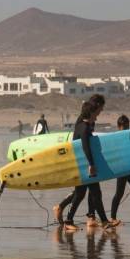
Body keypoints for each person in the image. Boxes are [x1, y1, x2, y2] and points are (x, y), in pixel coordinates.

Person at [54, 94, 106, 226]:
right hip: (83, 163)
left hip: (84, 162)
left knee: (81, 193)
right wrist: (91, 163)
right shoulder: (83, 124)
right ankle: (98, 220)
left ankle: (71, 217)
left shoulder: (87, 122)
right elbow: (84, 144)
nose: (101, 112)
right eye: (100, 109)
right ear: (96, 107)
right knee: (92, 192)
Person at [63, 101, 111, 232]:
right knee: (95, 193)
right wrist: (91, 164)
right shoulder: (84, 128)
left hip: (81, 164)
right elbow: (86, 147)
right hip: (85, 165)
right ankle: (105, 221)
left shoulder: (80, 125)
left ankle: (68, 220)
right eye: (95, 114)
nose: (96, 116)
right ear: (90, 113)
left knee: (80, 194)